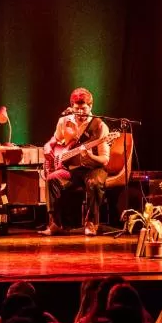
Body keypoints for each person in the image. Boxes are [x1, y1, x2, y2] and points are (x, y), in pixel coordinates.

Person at [40, 88, 110, 236]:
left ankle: (91, 223)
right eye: (76, 108)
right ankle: (55, 224)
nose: (79, 112)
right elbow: (56, 139)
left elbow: (104, 159)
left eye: (83, 108)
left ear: (90, 106)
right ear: (71, 106)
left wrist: (91, 156)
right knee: (52, 179)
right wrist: (48, 145)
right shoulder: (64, 121)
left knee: (94, 183)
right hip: (72, 170)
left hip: (94, 168)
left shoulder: (99, 126)